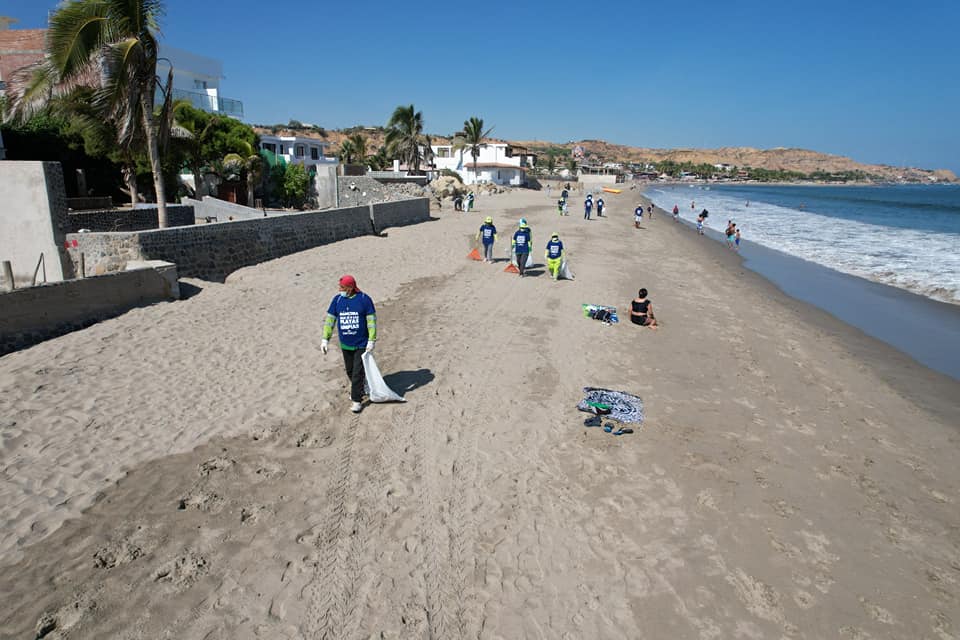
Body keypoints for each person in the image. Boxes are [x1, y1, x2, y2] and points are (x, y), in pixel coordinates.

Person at [320, 275, 377, 413]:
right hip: (345, 344)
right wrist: (325, 339)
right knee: (350, 371)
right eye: (339, 287)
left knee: (357, 372)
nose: (340, 290)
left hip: (361, 343)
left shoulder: (364, 300)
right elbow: (330, 320)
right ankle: (361, 387)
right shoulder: (337, 300)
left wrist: (371, 340)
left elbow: (371, 321)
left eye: (343, 288)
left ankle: (357, 400)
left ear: (351, 288)